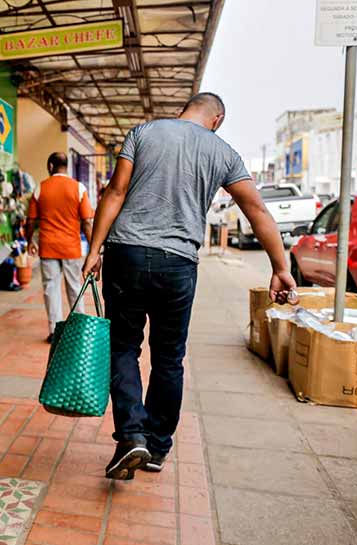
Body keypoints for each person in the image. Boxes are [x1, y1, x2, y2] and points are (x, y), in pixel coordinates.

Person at [83, 93, 296, 480]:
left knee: (124, 347)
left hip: (126, 254)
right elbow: (256, 209)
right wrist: (280, 267)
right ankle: (157, 445)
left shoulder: (144, 133)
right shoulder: (223, 152)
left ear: (187, 109)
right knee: (168, 358)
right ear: (217, 119)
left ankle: (131, 435)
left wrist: (94, 250)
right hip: (178, 264)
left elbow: (114, 193)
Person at [26, 152, 94, 342]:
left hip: (47, 247)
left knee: (51, 288)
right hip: (71, 248)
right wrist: (94, 249)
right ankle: (79, 330)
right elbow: (87, 222)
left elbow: (31, 221)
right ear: (67, 166)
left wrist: (29, 240)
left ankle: (54, 331)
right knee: (74, 287)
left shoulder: (40, 188)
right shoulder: (78, 188)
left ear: (50, 166)